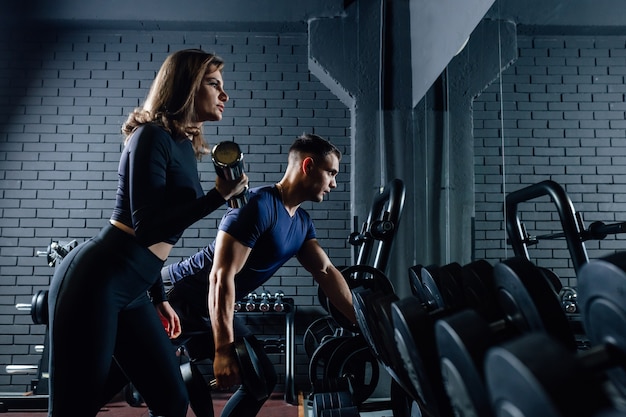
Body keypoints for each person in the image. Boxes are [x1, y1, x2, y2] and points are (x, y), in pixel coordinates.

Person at [46, 49, 248, 417]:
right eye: (214, 84)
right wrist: (218, 196)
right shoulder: (149, 136)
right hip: (98, 280)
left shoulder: (183, 145)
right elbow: (148, 226)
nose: (224, 95)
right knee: (73, 408)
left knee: (172, 399)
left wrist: (157, 296)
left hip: (135, 286)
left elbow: (160, 236)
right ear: (187, 86)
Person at [160, 133, 357, 417]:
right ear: (308, 166)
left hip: (206, 308)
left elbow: (326, 271)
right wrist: (224, 349)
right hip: (176, 297)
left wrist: (360, 323)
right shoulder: (258, 205)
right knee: (158, 391)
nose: (334, 183)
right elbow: (220, 276)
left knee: (262, 379)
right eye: (331, 173)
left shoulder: (301, 223)